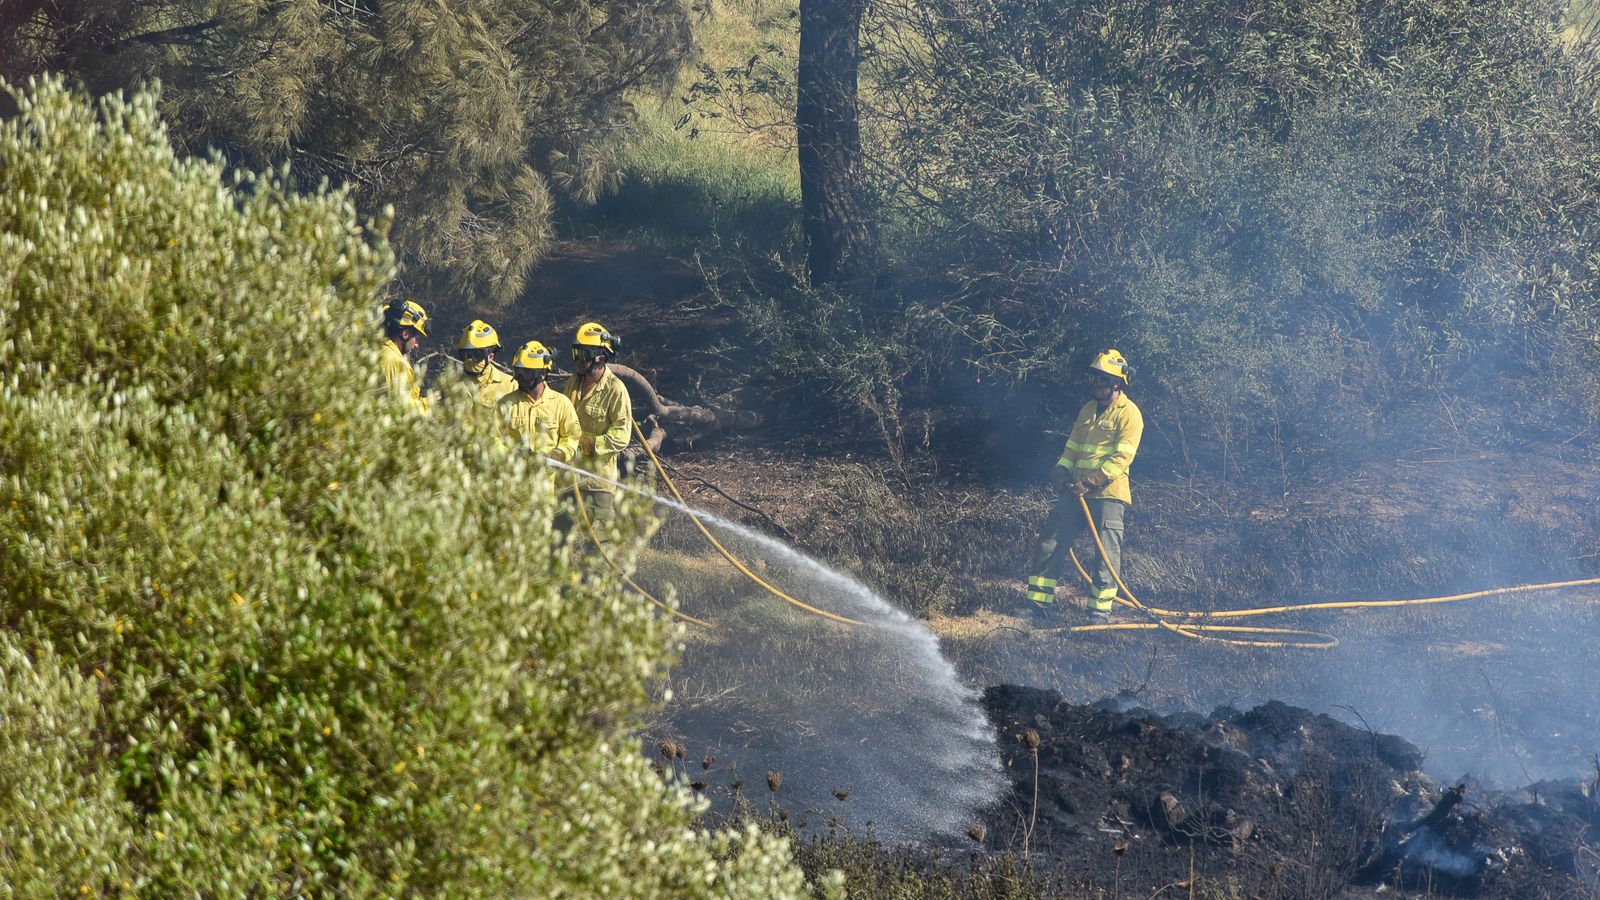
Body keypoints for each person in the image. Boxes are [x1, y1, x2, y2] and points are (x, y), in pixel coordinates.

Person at [1025, 349, 1144, 623]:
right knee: (1051, 540)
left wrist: (1091, 482)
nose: (1096, 385)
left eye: (1101, 380)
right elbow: (1073, 449)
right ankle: (1038, 604)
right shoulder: (1087, 410)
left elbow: (1121, 459)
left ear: (1117, 383)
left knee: (1105, 553)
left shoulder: (1130, 414)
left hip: (1108, 494)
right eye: (1093, 378)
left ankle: (1098, 611)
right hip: (1075, 492)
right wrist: (1061, 470)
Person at [564, 321, 633, 528]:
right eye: (576, 353)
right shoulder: (573, 382)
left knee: (600, 544)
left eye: (583, 355)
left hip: (598, 482)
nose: (577, 360)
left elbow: (622, 435)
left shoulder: (615, 390)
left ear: (600, 358)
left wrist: (589, 445)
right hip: (569, 478)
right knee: (557, 537)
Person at [497, 340, 580, 462]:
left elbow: (572, 437)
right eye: (518, 372)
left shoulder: (561, 404)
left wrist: (558, 454)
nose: (520, 378)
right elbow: (493, 438)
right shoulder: (505, 404)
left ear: (542, 373)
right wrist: (511, 454)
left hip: (549, 478)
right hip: (515, 477)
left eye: (526, 373)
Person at [380, 299, 431, 414]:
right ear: (405, 334)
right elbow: (402, 409)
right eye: (416, 339)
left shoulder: (380, 351)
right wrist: (432, 402)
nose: (417, 345)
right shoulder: (394, 361)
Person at [456, 319, 518, 409]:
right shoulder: (451, 386)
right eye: (465, 355)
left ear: (491, 357)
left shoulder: (510, 386)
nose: (470, 360)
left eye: (476, 355)